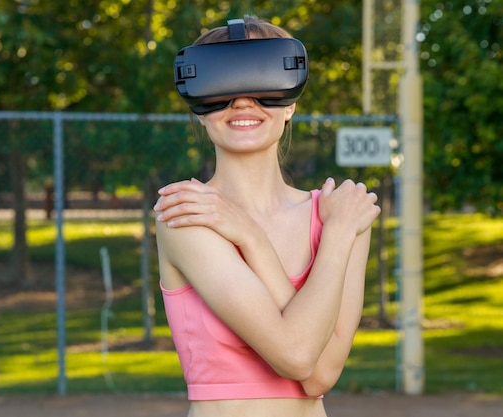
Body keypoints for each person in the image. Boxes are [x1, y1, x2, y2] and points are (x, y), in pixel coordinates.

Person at [153, 16, 380, 417]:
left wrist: (253, 237)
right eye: (221, 88)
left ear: (290, 103)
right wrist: (253, 235)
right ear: (200, 110)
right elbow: (295, 357)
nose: (243, 103)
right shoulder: (186, 214)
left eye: (263, 85)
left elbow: (321, 374)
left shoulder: (339, 218)